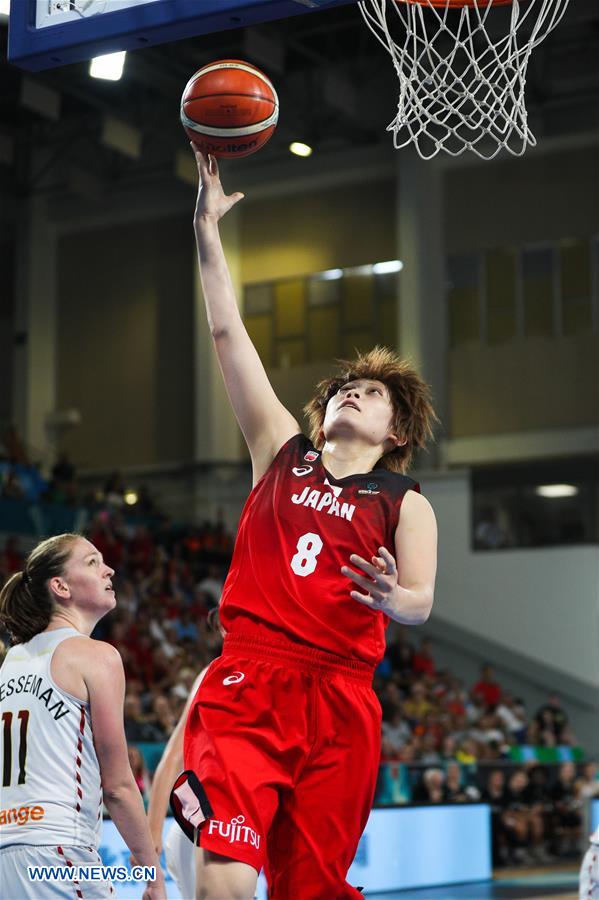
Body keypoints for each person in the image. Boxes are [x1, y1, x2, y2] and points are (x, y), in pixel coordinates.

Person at [170, 148, 438, 900]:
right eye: (346, 388)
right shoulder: (278, 452)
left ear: (394, 433)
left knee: (311, 888)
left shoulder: (404, 502)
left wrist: (394, 599)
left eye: (371, 395)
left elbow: (420, 599)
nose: (354, 394)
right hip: (249, 679)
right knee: (223, 868)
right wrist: (207, 231)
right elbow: (228, 338)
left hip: (341, 698)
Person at [0, 533, 165, 900]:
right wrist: (152, 872)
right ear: (60, 586)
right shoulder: (95, 656)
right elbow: (118, 787)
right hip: (59, 850)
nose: (109, 570)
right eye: (92, 562)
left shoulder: (11, 662)